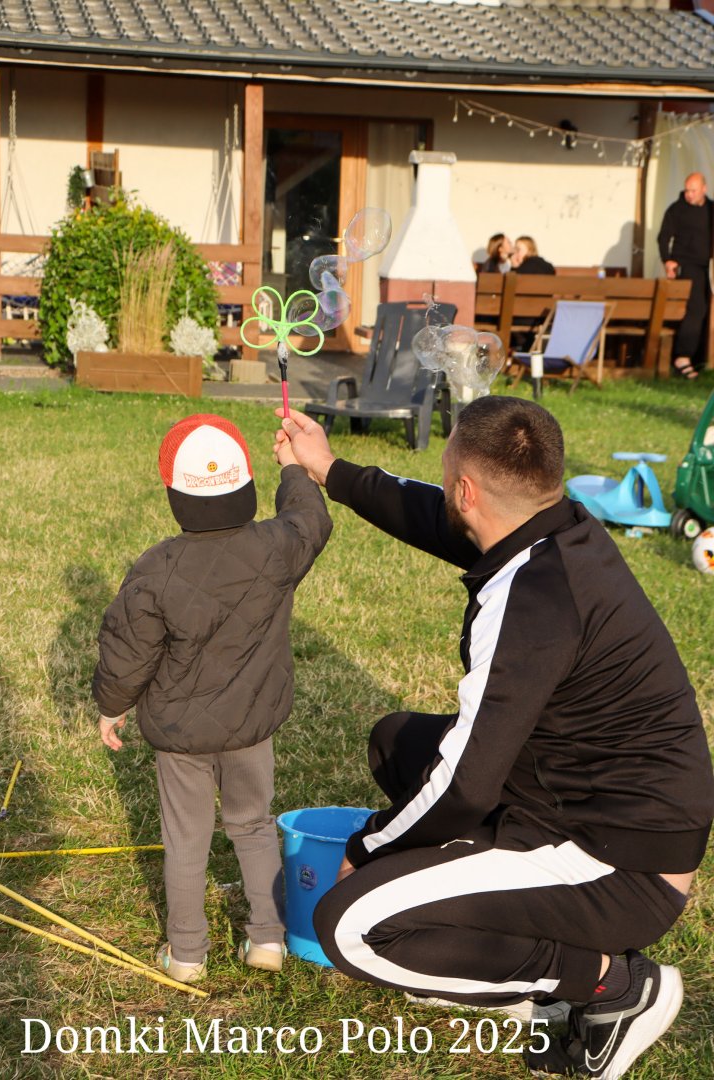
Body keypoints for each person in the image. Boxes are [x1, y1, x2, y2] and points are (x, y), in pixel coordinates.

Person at [273, 400, 714, 1079]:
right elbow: (434, 514)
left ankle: (613, 985)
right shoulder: (554, 527)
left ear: (467, 489)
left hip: (619, 862)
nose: (443, 484)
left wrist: (367, 849)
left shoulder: (532, 600)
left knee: (351, 924)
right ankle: (490, 914)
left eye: (448, 469)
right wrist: (328, 468)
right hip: (579, 796)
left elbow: (465, 784)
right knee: (396, 744)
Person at [93, 413, 331, 984]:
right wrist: (294, 469)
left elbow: (128, 652)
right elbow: (311, 520)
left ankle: (186, 954)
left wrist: (111, 705)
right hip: (251, 726)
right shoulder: (277, 548)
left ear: (176, 496)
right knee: (253, 825)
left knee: (186, 839)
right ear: (245, 485)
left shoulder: (155, 569)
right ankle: (268, 939)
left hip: (180, 736)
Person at [657, 171, 714, 379]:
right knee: (696, 308)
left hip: (707, 266)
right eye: (687, 190)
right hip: (687, 266)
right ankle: (682, 357)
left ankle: (699, 358)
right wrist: (668, 260)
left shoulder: (711, 209)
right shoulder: (677, 209)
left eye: (694, 191)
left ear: (704, 189)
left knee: (706, 311)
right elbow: (663, 237)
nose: (689, 194)